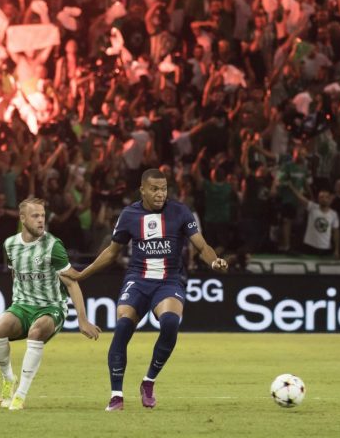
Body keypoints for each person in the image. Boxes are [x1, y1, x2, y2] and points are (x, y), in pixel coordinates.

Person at [73, 168, 228, 411]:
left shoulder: (180, 211)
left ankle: (149, 381)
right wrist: (84, 273)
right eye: (154, 189)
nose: (160, 194)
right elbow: (112, 252)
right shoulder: (129, 215)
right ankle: (116, 396)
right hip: (138, 279)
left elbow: (201, 244)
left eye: (164, 189)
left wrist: (214, 260)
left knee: (169, 323)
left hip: (168, 281)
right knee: (123, 326)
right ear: (142, 190)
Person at [0, 197, 100, 411]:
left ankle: (20, 395)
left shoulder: (53, 246)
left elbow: (71, 282)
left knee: (36, 330)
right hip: (22, 305)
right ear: (23, 219)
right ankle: (8, 379)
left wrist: (83, 319)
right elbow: (15, 274)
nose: (41, 220)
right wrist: (18, 302)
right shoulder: (10, 244)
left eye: (43, 215)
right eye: (35, 216)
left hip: (51, 307)